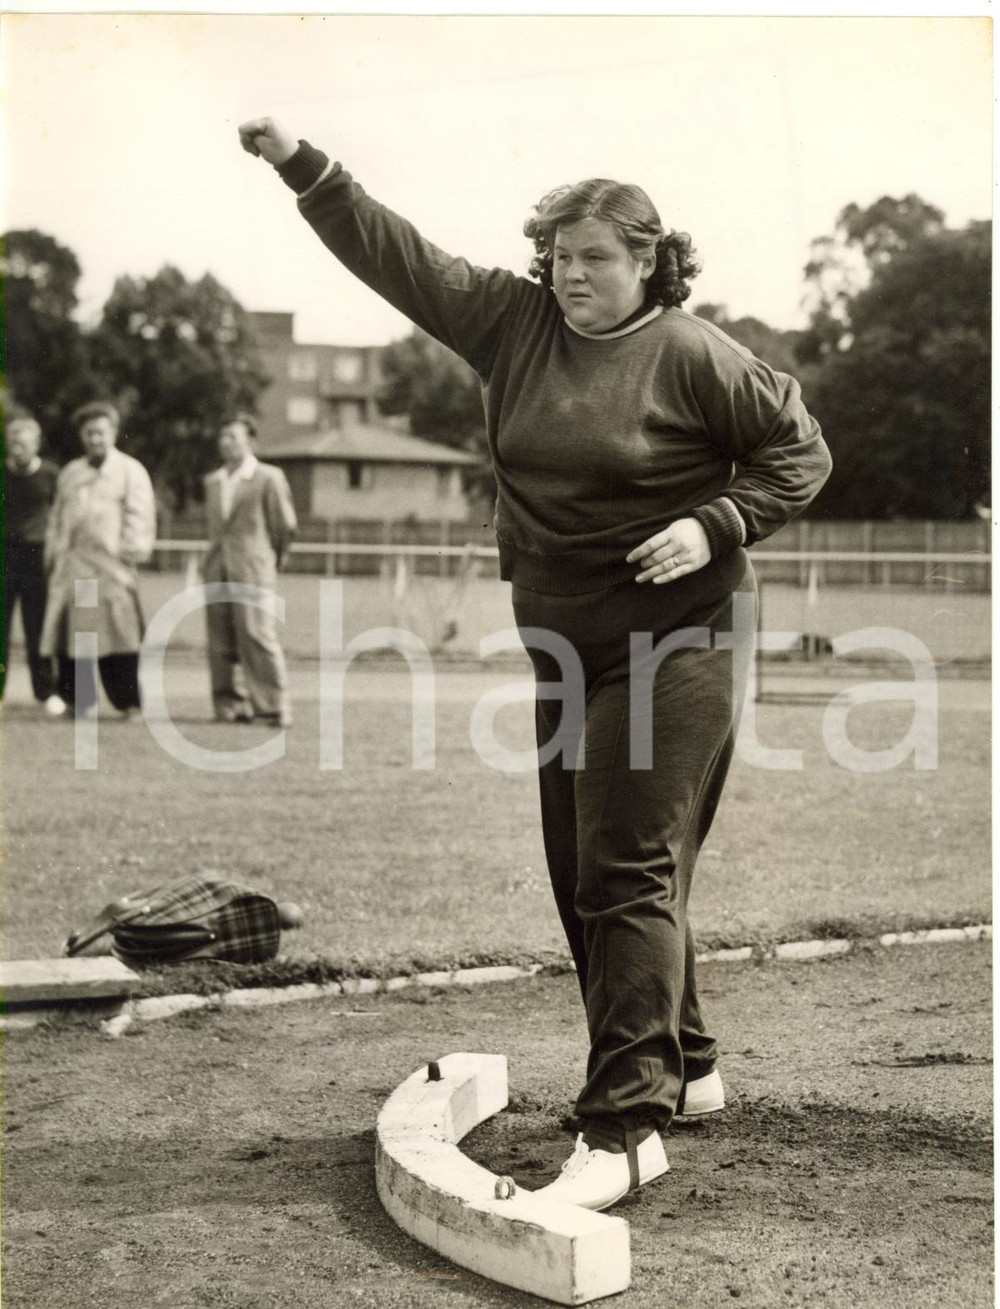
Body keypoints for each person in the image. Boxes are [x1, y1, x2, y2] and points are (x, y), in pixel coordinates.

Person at [239, 116, 832, 1211]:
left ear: (647, 258)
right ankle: (689, 1063)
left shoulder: (694, 351)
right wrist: (302, 166)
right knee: (584, 871)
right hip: (564, 642)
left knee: (626, 864)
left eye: (594, 257)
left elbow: (800, 450)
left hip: (682, 636)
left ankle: (624, 1126)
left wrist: (717, 522)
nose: (569, 277)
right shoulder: (513, 326)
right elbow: (396, 253)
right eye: (556, 258)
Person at [39, 402, 156, 719]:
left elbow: (141, 518)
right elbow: (57, 519)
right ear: (82, 436)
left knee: (118, 638)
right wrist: (54, 554)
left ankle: (129, 705)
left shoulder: (131, 471)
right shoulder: (71, 473)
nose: (94, 439)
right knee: (73, 640)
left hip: (111, 569)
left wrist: (128, 554)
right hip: (74, 567)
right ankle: (78, 702)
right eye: (89, 433)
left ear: (113, 433)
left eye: (100, 432)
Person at [202, 415, 297, 726]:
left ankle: (272, 704)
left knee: (257, 634)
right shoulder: (214, 481)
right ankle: (228, 703)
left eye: (233, 436)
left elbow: (284, 526)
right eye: (222, 437)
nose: (226, 442)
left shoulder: (268, 477)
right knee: (220, 640)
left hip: (254, 567)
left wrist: (271, 559)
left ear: (251, 441)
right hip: (218, 567)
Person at [4, 416, 62, 713]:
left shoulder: (51, 474)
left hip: (37, 558)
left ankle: (45, 692)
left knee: (37, 627)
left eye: (22, 442)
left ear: (36, 444)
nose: (16, 448)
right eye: (11, 441)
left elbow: (61, 515)